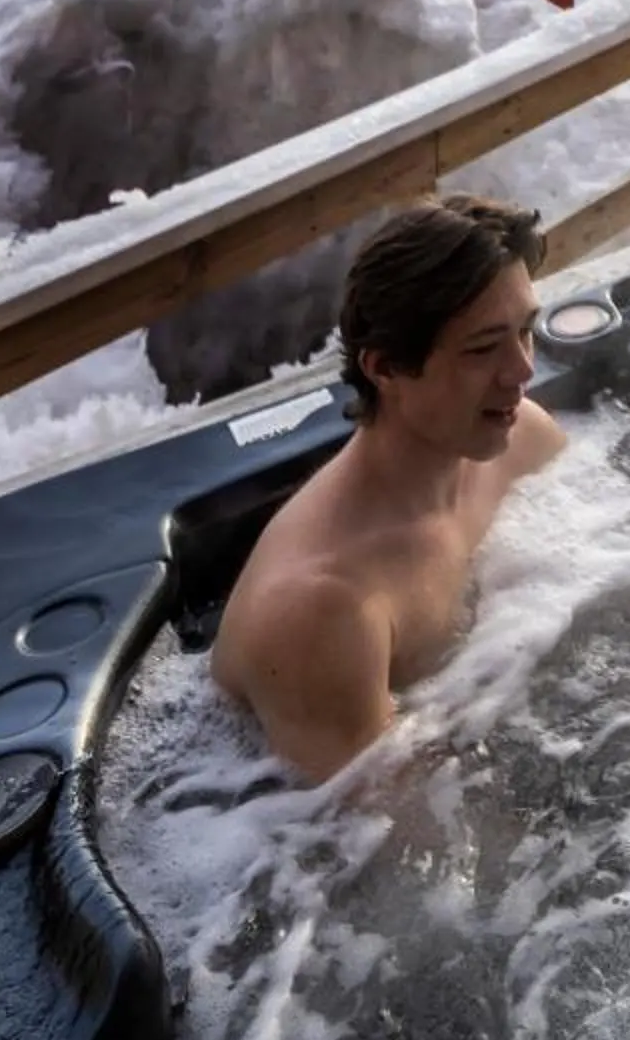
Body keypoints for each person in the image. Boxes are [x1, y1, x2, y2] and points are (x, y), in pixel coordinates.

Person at [213, 195, 566, 780]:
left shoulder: (520, 440)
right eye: (483, 348)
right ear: (385, 369)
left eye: (525, 330)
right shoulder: (324, 611)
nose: (522, 370)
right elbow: (387, 846)